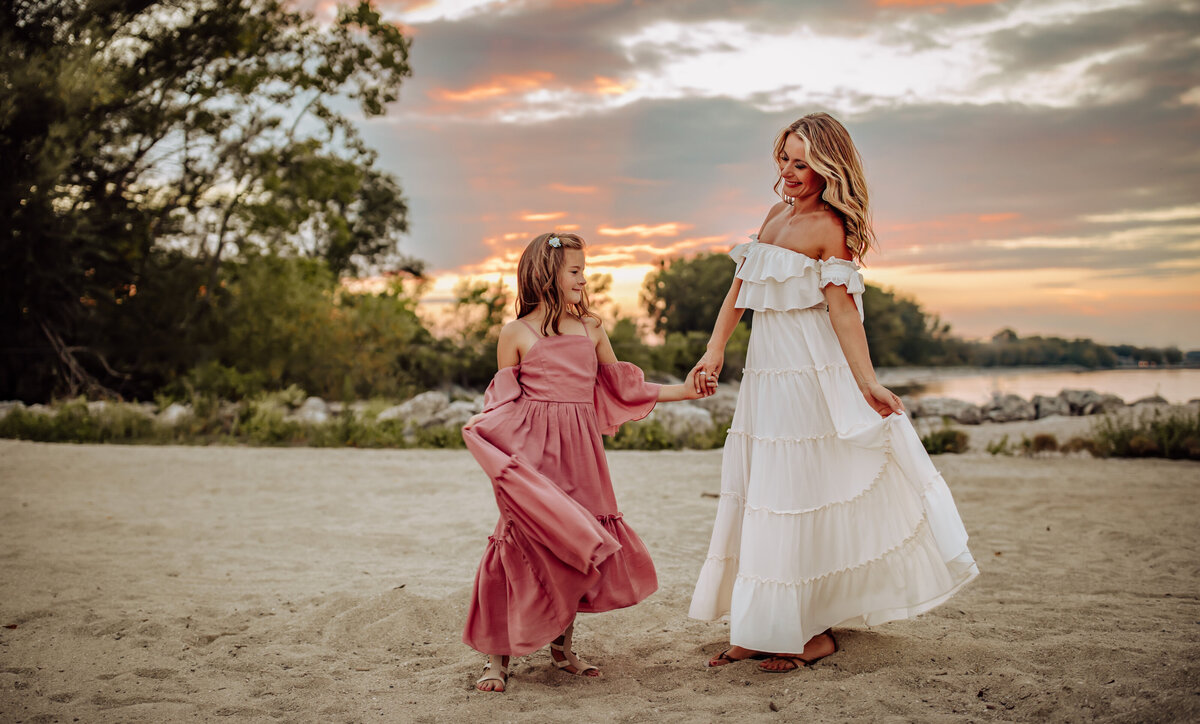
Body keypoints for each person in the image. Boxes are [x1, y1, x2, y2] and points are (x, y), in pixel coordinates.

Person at [687, 112, 979, 673]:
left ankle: (811, 633)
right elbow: (738, 293)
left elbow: (844, 315)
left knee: (793, 493)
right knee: (760, 492)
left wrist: (868, 383)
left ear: (827, 167)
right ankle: (757, 628)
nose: (790, 172)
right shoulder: (774, 216)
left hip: (806, 374)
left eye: (803, 162)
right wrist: (713, 350)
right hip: (765, 377)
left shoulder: (829, 226)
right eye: (785, 160)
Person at [462, 232, 716, 692]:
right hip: (533, 457)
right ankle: (496, 658)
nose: (584, 279)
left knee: (576, 546)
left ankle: (562, 651)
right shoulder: (515, 333)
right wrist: (498, 454)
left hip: (582, 455)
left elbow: (623, 388)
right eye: (575, 271)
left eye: (584, 271)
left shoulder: (592, 327)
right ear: (547, 275)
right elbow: (504, 405)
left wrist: (686, 389)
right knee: (517, 544)